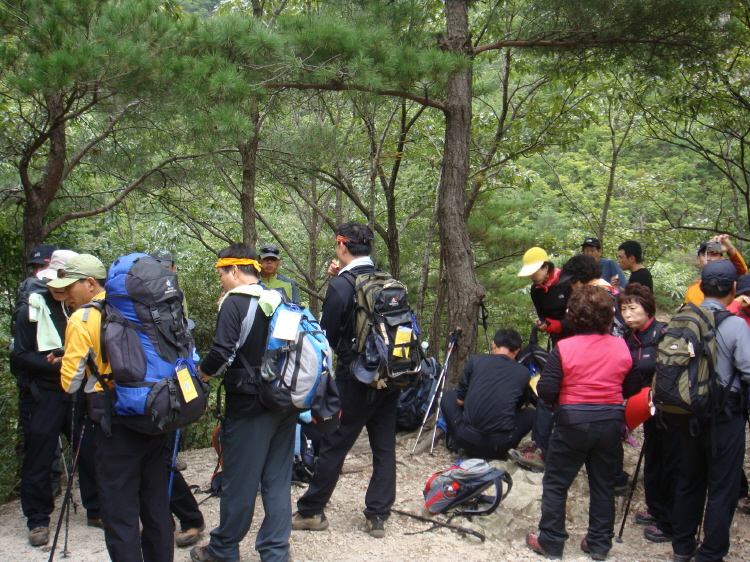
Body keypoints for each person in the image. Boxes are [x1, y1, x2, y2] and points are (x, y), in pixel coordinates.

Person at [57, 254, 174, 562]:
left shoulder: (83, 319)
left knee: (120, 512)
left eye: (71, 286)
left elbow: (70, 385)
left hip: (114, 427)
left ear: (90, 283)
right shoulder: (147, 308)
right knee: (156, 506)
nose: (66, 294)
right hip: (154, 414)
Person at [190, 244, 295, 562]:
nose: (221, 280)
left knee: (239, 481)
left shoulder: (236, 301)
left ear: (234, 270)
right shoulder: (278, 298)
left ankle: (222, 549)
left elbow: (222, 353)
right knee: (276, 480)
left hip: (250, 404)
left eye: (222, 273)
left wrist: (201, 376)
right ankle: (276, 553)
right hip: (285, 399)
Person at [293, 222, 397, 539]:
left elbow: (326, 338)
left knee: (336, 442)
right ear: (368, 247)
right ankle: (377, 516)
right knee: (384, 446)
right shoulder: (388, 281)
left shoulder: (341, 285)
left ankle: (311, 511)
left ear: (342, 247)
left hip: (357, 379)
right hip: (392, 375)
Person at [526, 285, 640, 560]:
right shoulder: (622, 346)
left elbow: (547, 392)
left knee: (556, 482)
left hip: (572, 422)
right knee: (602, 483)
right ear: (608, 316)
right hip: (610, 421)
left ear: (574, 316)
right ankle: (599, 544)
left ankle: (551, 541)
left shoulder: (564, 348)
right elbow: (631, 386)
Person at [12, 250, 100, 547]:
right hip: (44, 393)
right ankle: (37, 519)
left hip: (77, 390)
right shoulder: (33, 307)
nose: (61, 289)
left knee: (87, 451)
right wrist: (56, 364)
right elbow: (20, 355)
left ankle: (97, 509)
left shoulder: (81, 307)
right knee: (39, 453)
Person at [671, 260, 750, 562]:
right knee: (722, 484)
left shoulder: (682, 317)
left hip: (688, 410)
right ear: (733, 289)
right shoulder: (734, 324)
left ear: (701, 286)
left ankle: (682, 545)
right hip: (724, 414)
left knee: (689, 477)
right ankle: (712, 551)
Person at [151, 250, 206, 548]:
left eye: (166, 268)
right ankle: (170, 518)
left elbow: (185, 343)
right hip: (158, 384)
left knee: (161, 457)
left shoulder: (174, 299)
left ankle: (189, 517)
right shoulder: (148, 300)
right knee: (155, 457)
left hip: (174, 382)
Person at [617, 283, 676, 544]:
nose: (627, 314)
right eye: (623, 309)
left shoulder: (664, 332)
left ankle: (669, 520)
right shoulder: (627, 338)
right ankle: (655, 508)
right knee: (652, 456)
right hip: (642, 406)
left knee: (669, 461)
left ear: (647, 307)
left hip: (667, 406)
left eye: (632, 308)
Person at [440, 329, 534, 459]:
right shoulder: (523, 372)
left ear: (493, 345)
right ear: (517, 351)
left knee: (448, 396)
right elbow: (517, 407)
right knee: (531, 413)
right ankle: (503, 452)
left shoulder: (476, 360)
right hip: (500, 445)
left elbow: (460, 402)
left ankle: (457, 447)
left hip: (467, 439)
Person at [518, 247, 573, 343]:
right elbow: (542, 314)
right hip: (557, 338)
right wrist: (544, 323)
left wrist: (561, 324)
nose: (531, 276)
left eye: (533, 272)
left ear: (546, 268)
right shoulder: (536, 290)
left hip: (577, 334)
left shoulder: (568, 283)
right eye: (529, 273)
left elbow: (581, 313)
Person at [684, 235, 747, 305]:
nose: (708, 259)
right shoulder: (692, 289)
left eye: (714, 255)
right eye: (705, 255)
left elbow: (742, 274)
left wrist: (730, 250)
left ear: (722, 258)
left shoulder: (729, 283)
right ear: (698, 260)